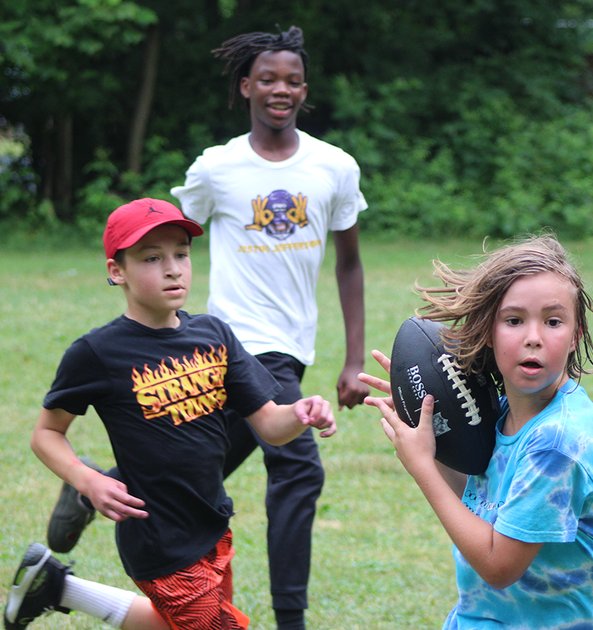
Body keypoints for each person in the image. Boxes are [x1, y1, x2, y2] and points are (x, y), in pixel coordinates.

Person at [3, 198, 337, 630]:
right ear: (116, 271)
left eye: (181, 253)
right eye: (152, 258)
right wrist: (88, 480)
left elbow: (271, 426)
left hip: (212, 524)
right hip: (158, 538)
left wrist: (301, 412)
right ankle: (57, 588)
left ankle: (57, 588)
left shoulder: (215, 335)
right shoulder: (97, 353)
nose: (173, 268)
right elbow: (46, 433)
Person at [169, 25, 367, 630]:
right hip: (234, 343)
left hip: (291, 348)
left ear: (304, 90)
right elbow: (173, 241)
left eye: (293, 80)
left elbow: (350, 262)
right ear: (246, 86)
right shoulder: (217, 168)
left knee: (197, 468)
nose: (281, 89)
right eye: (269, 79)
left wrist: (353, 359)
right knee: (299, 466)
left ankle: (99, 486)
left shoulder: (333, 167)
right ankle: (291, 621)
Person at [359, 235, 593, 629]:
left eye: (553, 321)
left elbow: (499, 566)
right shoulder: (500, 414)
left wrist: (422, 468)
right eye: (514, 320)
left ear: (575, 335)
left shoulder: (559, 441)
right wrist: (432, 427)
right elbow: (479, 500)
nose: (533, 336)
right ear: (488, 331)